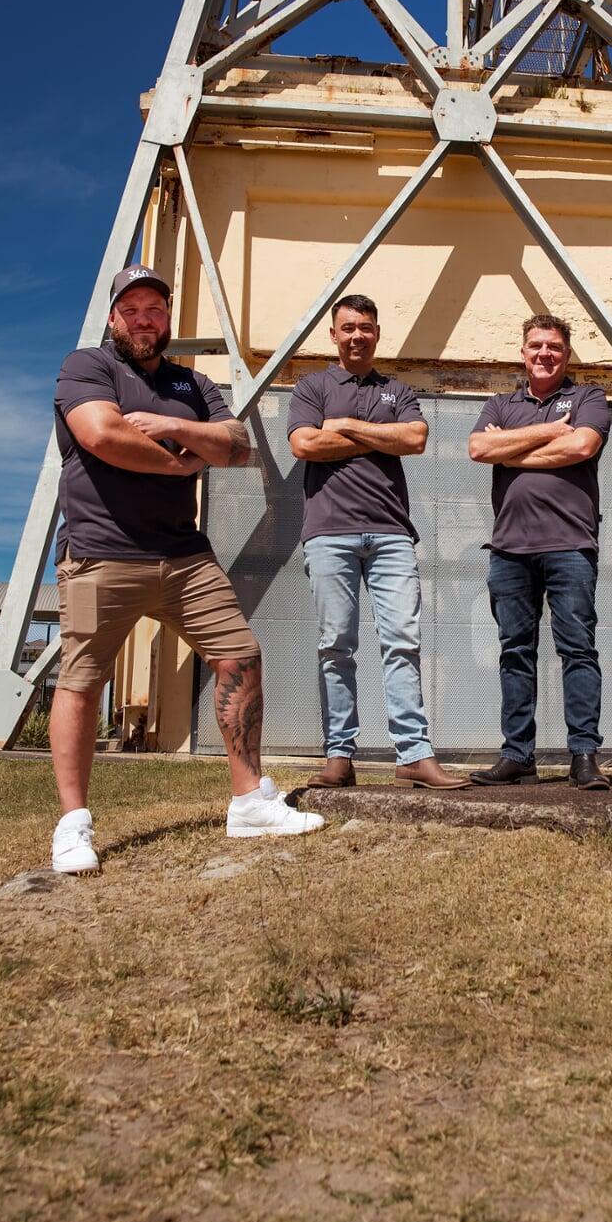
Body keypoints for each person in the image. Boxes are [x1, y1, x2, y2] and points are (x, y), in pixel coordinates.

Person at [50, 265, 323, 875]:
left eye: (155, 308)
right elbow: (101, 434)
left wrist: (174, 425)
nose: (144, 319)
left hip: (183, 555)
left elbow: (237, 447)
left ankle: (250, 802)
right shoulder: (87, 367)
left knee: (241, 655)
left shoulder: (191, 383)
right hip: (101, 553)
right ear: (114, 318)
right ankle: (73, 826)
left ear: (167, 318)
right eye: (133, 308)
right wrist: (178, 463)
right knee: (83, 678)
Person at [287, 295, 465, 790]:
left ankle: (413, 754)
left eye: (366, 327)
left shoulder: (397, 390)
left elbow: (415, 440)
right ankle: (340, 756)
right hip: (328, 533)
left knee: (403, 644)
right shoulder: (313, 386)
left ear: (377, 333)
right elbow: (304, 444)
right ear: (334, 335)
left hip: (391, 534)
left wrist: (342, 426)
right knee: (335, 646)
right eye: (348, 328)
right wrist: (380, 434)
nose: (357, 335)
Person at [467, 314, 612, 790]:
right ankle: (517, 755)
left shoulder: (588, 398)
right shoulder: (500, 402)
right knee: (515, 651)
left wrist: (508, 450)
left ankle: (585, 756)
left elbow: (582, 446)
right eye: (535, 346)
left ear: (566, 354)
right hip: (509, 548)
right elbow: (477, 448)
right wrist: (549, 431)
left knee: (577, 650)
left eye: (553, 346)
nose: (544, 353)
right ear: (523, 352)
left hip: (570, 544)